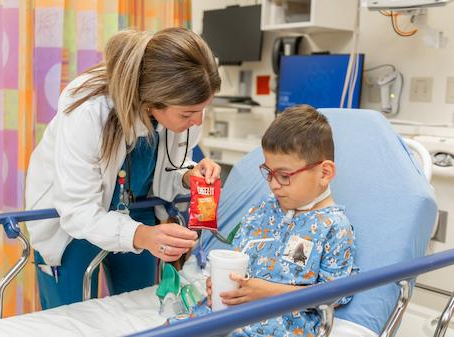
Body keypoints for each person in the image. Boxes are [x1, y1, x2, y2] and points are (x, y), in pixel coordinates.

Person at [25, 27, 221, 309]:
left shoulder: (178, 109)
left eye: (203, 109)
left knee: (139, 307)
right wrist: (142, 235)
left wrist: (190, 175)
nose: (198, 121)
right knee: (70, 319)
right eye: (188, 114)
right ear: (152, 99)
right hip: (73, 222)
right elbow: (78, 209)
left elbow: (169, 166)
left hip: (138, 210)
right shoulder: (88, 110)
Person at [171, 105, 357, 337]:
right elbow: (239, 262)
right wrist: (223, 286)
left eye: (284, 176)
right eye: (268, 172)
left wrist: (266, 292)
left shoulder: (333, 227)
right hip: (232, 311)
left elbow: (336, 294)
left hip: (281, 323)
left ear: (324, 173)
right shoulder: (264, 209)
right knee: (178, 328)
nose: (273, 184)